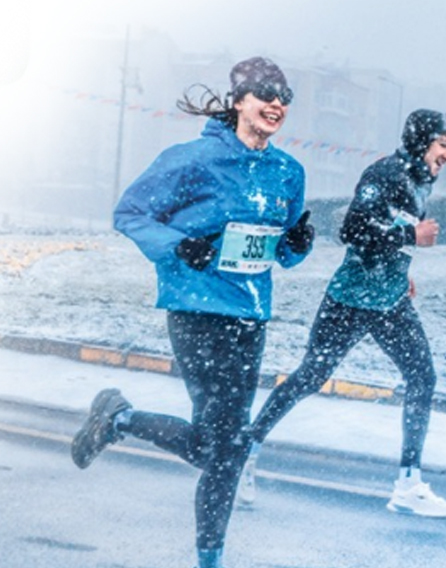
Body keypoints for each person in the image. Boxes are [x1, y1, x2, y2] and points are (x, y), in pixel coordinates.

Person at [70, 56, 314, 568]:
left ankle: (121, 418)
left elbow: (285, 253)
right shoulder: (193, 160)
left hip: (252, 313)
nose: (276, 104)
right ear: (239, 101)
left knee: (219, 447)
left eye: (284, 96)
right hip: (198, 308)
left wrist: (299, 241)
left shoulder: (288, 172)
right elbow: (130, 212)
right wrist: (181, 246)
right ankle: (209, 559)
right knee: (226, 448)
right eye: (266, 93)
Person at [238, 109, 446, 518]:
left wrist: (401, 268)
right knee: (310, 377)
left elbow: (386, 232)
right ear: (422, 141)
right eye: (443, 145)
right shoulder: (386, 174)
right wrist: (413, 236)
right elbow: (353, 229)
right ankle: (245, 452)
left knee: (422, 377)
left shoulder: (418, 180)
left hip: (389, 301)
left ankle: (408, 485)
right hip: (351, 301)